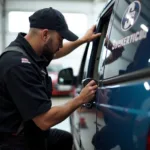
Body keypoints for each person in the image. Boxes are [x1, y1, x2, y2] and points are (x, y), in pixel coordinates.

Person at [0, 7, 100, 150]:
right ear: (45, 34)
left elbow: (57, 52)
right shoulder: (18, 65)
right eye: (60, 39)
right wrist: (81, 99)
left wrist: (83, 40)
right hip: (15, 142)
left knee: (64, 139)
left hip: (28, 130)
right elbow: (45, 120)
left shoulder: (31, 52)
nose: (60, 45)